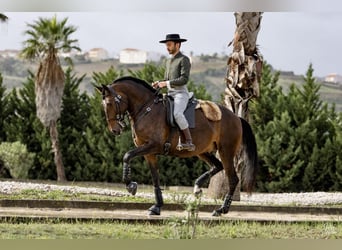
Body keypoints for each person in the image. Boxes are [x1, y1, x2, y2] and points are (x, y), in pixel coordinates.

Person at [152, 33, 195, 151]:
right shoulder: (167, 61)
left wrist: (166, 84)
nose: (167, 47)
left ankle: (189, 141)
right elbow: (167, 79)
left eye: (169, 44)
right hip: (170, 93)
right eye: (166, 45)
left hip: (181, 93)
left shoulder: (184, 59)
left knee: (177, 114)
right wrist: (159, 83)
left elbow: (184, 79)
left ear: (178, 44)